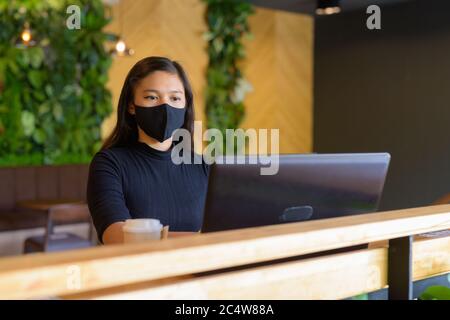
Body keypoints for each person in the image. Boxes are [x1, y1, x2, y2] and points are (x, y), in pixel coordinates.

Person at [87, 56, 209, 244]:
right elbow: (114, 235)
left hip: (197, 271)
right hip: (137, 272)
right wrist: (200, 239)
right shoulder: (109, 164)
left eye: (175, 98)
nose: (165, 106)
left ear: (186, 106)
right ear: (131, 106)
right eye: (152, 97)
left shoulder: (202, 166)